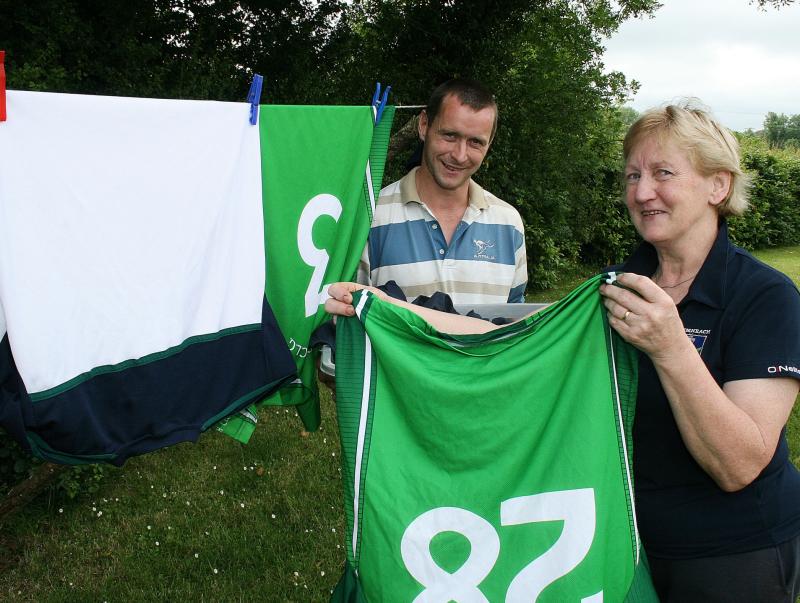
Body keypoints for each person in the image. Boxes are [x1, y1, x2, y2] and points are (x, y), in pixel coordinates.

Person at [326, 100, 800, 602]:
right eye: (633, 175)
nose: (642, 192)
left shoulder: (765, 297)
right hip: (625, 544)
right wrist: (387, 309)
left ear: (718, 185)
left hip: (731, 554)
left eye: (663, 173)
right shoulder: (623, 285)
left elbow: (739, 466)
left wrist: (670, 347)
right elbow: (507, 337)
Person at [357, 78, 528, 305]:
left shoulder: (509, 222)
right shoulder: (371, 216)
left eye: (475, 142)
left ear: (490, 143)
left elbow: (514, 319)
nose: (459, 155)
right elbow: (350, 313)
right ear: (423, 125)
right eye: (450, 135)